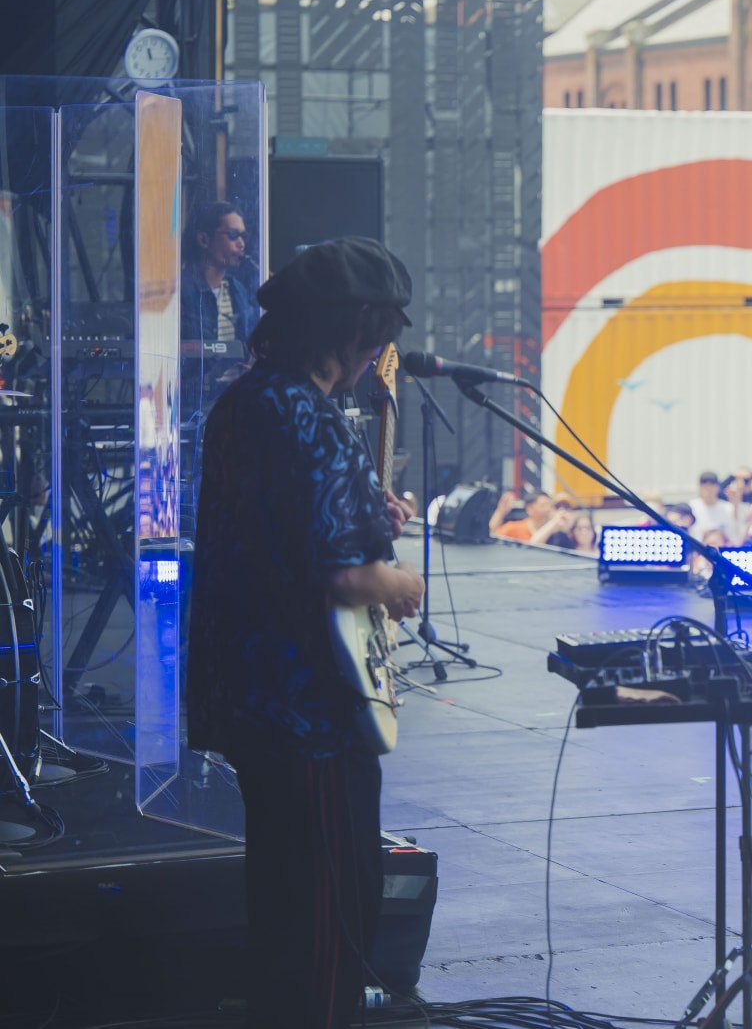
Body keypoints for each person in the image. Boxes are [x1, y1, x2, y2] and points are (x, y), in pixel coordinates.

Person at [187, 238, 424, 1029]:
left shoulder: (246, 403)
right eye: (376, 337)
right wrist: (400, 583)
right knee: (329, 919)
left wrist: (366, 508)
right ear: (353, 331)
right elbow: (343, 577)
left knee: (285, 908)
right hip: (310, 711)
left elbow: (282, 529)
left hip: (251, 699)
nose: (376, 356)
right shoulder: (309, 415)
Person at [180, 201, 259, 408]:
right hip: (194, 404)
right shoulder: (181, 292)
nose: (241, 244)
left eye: (243, 236)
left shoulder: (238, 290)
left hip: (235, 400)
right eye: (233, 235)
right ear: (204, 240)